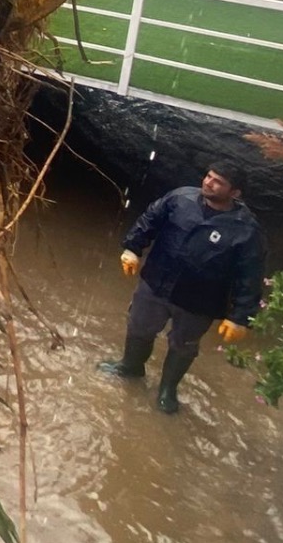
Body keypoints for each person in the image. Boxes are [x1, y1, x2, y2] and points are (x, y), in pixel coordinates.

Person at [99, 160, 266, 414]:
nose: (208, 183)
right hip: (156, 283)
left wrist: (240, 317)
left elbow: (250, 276)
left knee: (184, 344)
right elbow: (150, 220)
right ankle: (131, 367)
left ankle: (167, 389)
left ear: (235, 193)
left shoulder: (246, 230)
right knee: (139, 326)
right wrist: (133, 248)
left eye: (218, 181)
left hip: (199, 302)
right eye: (208, 176)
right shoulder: (180, 198)